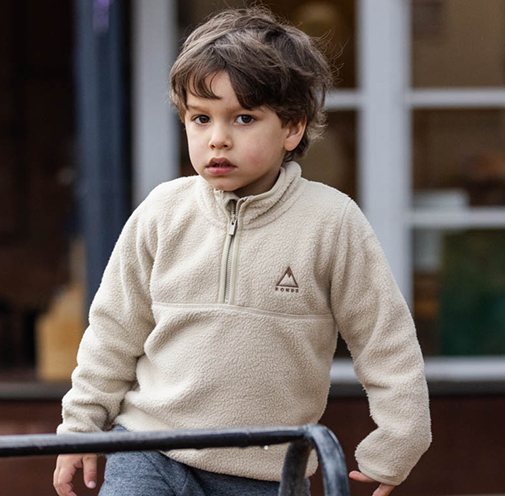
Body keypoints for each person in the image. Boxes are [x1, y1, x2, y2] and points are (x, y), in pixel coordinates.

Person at [53, 7, 431, 496]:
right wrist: (80, 424)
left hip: (268, 470)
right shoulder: (162, 212)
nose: (218, 139)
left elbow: (386, 341)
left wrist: (399, 440)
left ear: (292, 128)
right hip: (147, 449)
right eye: (200, 118)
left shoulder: (332, 222)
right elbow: (113, 330)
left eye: (244, 118)